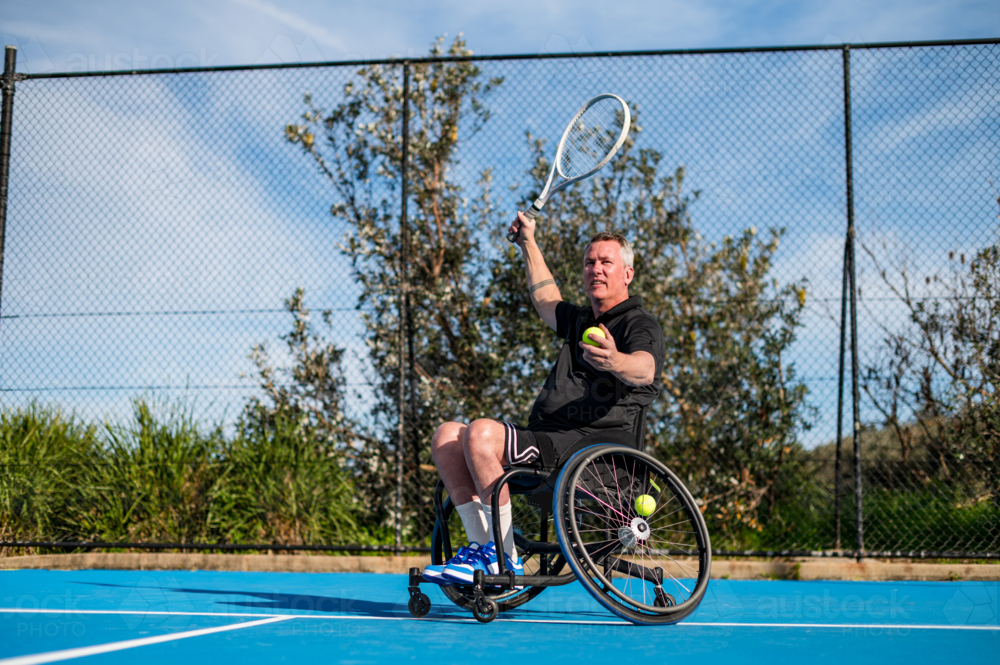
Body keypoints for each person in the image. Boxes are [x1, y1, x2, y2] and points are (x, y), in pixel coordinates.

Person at [422, 211, 665, 584]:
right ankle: (482, 549)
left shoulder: (639, 323)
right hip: (550, 441)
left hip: (590, 454)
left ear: (627, 274)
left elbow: (645, 368)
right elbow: (546, 299)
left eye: (606, 262)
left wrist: (616, 360)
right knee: (446, 437)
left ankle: (504, 559)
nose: (595, 269)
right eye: (589, 262)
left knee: (483, 434)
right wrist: (528, 242)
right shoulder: (583, 320)